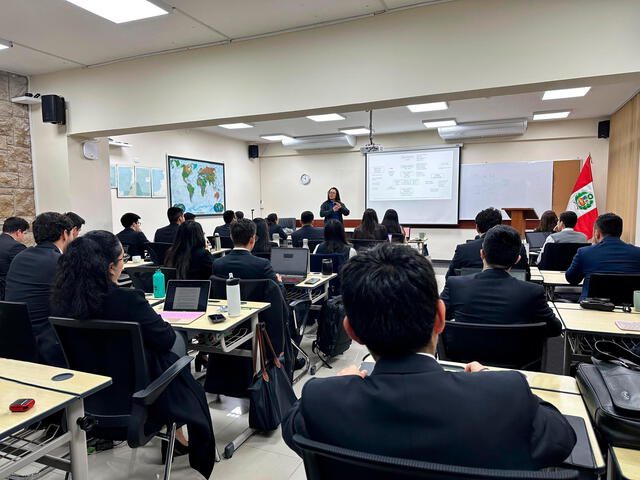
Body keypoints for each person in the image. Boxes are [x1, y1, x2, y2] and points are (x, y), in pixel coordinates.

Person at [282, 243, 576, 468]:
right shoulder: (506, 395)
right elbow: (563, 437)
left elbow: (292, 424)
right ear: (440, 318)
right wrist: (491, 382)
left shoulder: (321, 400)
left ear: (352, 331)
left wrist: (338, 383)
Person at [50, 231, 215, 478]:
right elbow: (165, 339)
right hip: (140, 403)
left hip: (86, 405)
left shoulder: (60, 302)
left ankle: (178, 436)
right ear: (110, 267)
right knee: (178, 349)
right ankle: (183, 438)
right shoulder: (127, 300)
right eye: (122, 258)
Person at [441, 225, 562, 337]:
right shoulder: (532, 292)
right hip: (517, 359)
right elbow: (555, 329)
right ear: (517, 259)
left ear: (482, 254)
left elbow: (433, 318)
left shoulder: (455, 285)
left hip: (462, 358)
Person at [5, 212, 73, 367]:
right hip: (49, 344)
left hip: (16, 339)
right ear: (64, 234)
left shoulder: (20, 257)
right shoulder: (60, 262)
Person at [566, 213, 640, 301]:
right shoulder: (637, 253)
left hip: (590, 309)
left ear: (596, 233)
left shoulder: (585, 252)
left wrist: (592, 248)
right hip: (628, 310)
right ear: (620, 232)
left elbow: (572, 279)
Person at [446, 207, 529, 278]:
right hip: (513, 294)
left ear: (477, 228)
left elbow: (449, 277)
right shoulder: (519, 248)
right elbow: (527, 277)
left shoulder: (463, 249)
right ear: (499, 226)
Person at [213, 219, 281, 283]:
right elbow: (279, 292)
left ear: (231, 237)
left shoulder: (217, 264)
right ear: (252, 240)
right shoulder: (263, 265)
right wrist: (279, 281)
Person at [0, 217, 29, 300]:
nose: (24, 237)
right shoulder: (16, 247)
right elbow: (25, 270)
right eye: (24, 233)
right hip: (6, 295)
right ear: (19, 232)